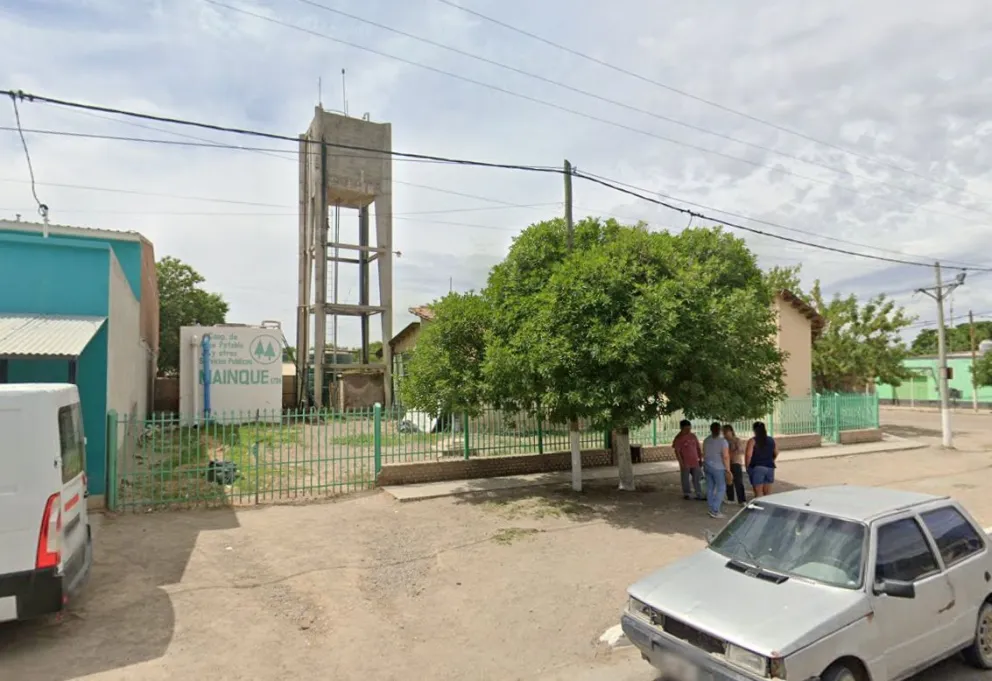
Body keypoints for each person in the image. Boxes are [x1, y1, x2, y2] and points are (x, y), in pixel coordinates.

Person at [702, 422, 732, 518]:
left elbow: (704, 453)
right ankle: (715, 510)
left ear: (710, 429)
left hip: (707, 465)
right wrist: (728, 470)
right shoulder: (723, 441)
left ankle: (711, 508)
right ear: (719, 430)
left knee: (710, 488)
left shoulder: (706, 440)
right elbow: (726, 456)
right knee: (721, 488)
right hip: (718, 467)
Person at [672, 419, 704, 501]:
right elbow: (677, 452)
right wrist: (681, 463)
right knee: (685, 478)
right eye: (686, 429)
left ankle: (699, 493)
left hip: (695, 461)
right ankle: (687, 493)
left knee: (697, 477)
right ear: (681, 428)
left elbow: (698, 448)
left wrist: (700, 459)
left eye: (689, 429)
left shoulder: (693, 436)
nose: (688, 431)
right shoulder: (678, 438)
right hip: (685, 462)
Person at [745, 421, 778, 498]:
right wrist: (771, 460)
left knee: (758, 493)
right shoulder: (771, 439)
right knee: (768, 494)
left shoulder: (752, 441)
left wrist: (747, 466)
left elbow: (748, 455)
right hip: (770, 468)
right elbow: (776, 452)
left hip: (757, 467)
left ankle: (759, 505)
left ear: (754, 430)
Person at [723, 424, 746, 505]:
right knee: (729, 480)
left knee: (738, 481)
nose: (725, 433)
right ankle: (730, 498)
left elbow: (740, 450)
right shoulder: (723, 441)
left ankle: (742, 500)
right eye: (724, 432)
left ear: (731, 431)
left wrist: (729, 454)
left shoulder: (736, 440)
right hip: (727, 463)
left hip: (736, 462)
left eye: (726, 431)